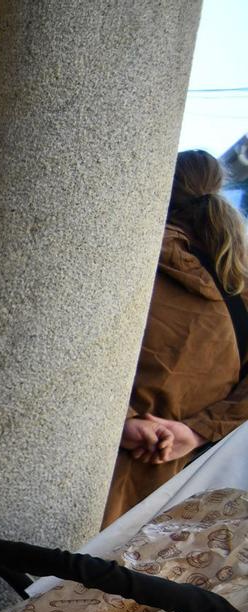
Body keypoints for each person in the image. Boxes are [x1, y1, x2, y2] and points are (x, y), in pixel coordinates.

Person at [102, 148, 248, 525]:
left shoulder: (119, 263)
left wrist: (125, 421)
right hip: (181, 497)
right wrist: (194, 432)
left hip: (91, 474)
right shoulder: (239, 288)